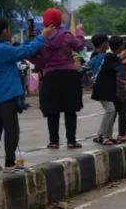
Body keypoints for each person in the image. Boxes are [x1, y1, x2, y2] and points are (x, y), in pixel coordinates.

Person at [0, 16, 54, 173]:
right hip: (7, 93)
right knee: (11, 129)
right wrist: (42, 36)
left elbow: (18, 51)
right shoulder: (3, 49)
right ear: (4, 31)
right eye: (9, 29)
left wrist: (30, 39)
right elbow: (24, 52)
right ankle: (10, 162)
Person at [30, 8, 85, 149]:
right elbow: (79, 46)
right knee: (70, 109)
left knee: (52, 110)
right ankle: (71, 141)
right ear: (59, 20)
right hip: (69, 74)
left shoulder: (41, 38)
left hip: (50, 76)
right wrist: (79, 32)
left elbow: (32, 54)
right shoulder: (66, 35)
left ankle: (54, 141)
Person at [89, 34, 118, 145]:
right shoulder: (100, 57)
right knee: (111, 110)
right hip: (102, 87)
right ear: (104, 44)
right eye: (107, 42)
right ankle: (101, 135)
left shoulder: (100, 55)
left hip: (107, 86)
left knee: (114, 109)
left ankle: (107, 136)